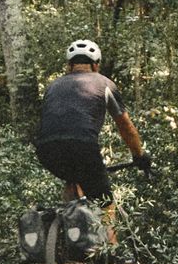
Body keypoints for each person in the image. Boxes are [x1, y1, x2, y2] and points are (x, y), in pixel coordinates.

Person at [35, 39, 149, 229]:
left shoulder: (52, 86)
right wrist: (139, 155)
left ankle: (66, 241)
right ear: (96, 65)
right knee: (105, 204)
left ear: (69, 65)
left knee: (73, 181)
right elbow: (125, 126)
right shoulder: (104, 83)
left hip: (46, 150)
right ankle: (110, 251)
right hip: (82, 147)